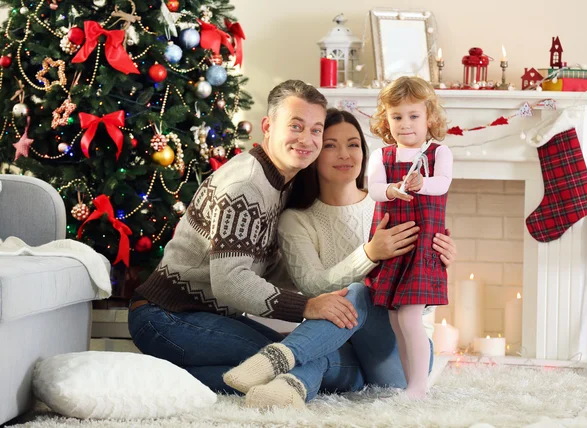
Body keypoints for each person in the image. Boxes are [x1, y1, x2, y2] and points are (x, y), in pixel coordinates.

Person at [129, 80, 361, 396]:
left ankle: (167, 381)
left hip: (203, 317)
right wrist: (308, 306)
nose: (307, 139)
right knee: (284, 361)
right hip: (168, 317)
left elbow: (277, 271)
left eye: (316, 130)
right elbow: (230, 281)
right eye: (296, 126)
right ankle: (162, 384)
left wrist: (350, 271)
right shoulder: (246, 186)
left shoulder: (282, 183)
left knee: (297, 358)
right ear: (267, 126)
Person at [223, 107, 457, 408]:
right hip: (340, 349)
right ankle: (286, 389)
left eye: (353, 144)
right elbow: (313, 288)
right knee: (322, 355)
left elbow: (416, 307)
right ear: (315, 153)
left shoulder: (392, 202)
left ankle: (277, 357)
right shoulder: (297, 220)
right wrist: (370, 253)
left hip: (399, 359)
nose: (344, 154)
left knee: (360, 291)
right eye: (331, 145)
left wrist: (439, 261)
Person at [365, 76, 453, 399]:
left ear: (428, 117)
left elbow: (442, 183)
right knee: (394, 316)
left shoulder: (439, 153)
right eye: (397, 116)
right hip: (391, 247)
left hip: (421, 247)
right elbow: (373, 189)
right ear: (386, 119)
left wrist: (420, 184)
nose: (405, 124)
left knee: (409, 314)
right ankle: (411, 381)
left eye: (413, 116)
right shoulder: (382, 157)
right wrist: (391, 189)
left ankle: (419, 386)